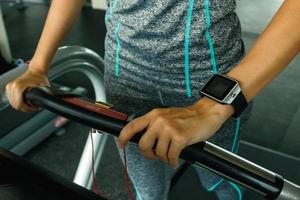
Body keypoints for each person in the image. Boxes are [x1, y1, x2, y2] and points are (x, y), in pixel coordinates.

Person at [5, 0, 300, 199]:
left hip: (209, 82)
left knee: (222, 181)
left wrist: (216, 104)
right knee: (147, 188)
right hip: (126, 78)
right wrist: (39, 66)